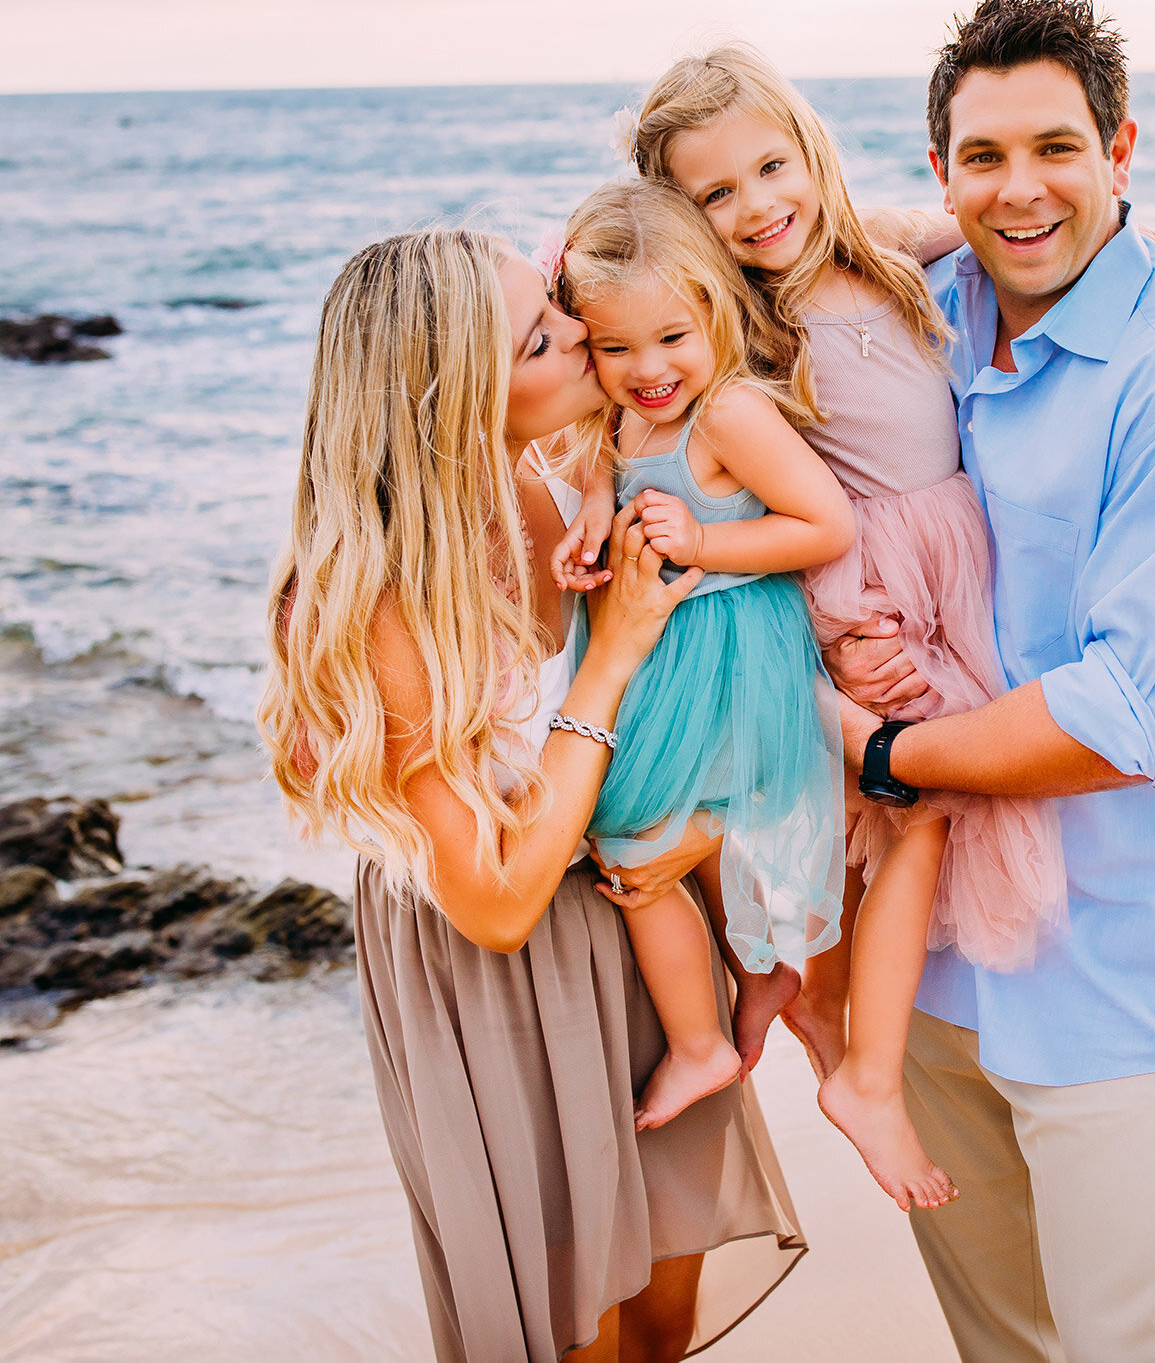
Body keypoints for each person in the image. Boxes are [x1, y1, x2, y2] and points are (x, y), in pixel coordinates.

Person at [829, 0, 1155, 1361]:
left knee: (1138, 1349)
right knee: (1008, 1347)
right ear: (939, 173)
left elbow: (1137, 718)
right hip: (928, 963)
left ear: (1122, 149)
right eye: (981, 158)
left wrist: (877, 757)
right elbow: (698, 266)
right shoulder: (914, 318)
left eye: (1055, 146)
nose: (1019, 188)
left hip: (1114, 967)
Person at [257, 229, 805, 1363]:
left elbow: (695, 720)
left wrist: (706, 842)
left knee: (663, 1320)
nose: (585, 346)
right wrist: (608, 660)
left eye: (561, 311)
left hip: (631, 921)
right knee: (576, 1336)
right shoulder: (381, 599)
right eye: (545, 335)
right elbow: (497, 900)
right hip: (495, 980)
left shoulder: (560, 493)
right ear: (454, 389)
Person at [590, 43, 1068, 1215]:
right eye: (717, 195)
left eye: (771, 166)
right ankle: (854, 1066)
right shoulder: (749, 327)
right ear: (687, 222)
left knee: (894, 813)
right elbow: (656, 405)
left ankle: (795, 1006)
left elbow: (972, 213)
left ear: (810, 149)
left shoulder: (880, 245)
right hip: (870, 589)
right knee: (913, 807)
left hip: (954, 564)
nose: (758, 207)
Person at [553, 177, 853, 1133]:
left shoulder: (726, 415)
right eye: (615, 346)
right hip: (661, 658)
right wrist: (596, 515)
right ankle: (760, 980)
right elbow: (607, 464)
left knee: (630, 844)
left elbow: (825, 524)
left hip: (729, 658)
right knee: (664, 839)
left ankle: (701, 1045)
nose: (647, 368)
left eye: (671, 338)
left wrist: (704, 542)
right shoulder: (619, 412)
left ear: (714, 309)